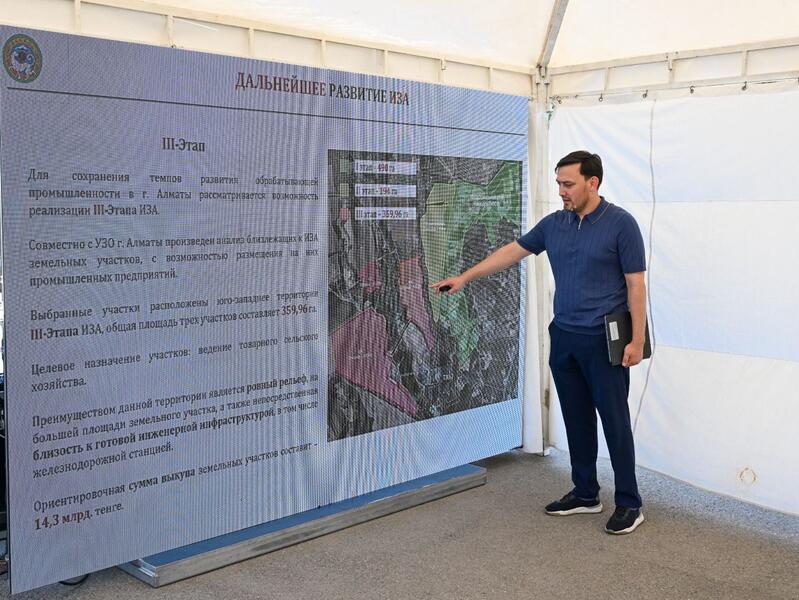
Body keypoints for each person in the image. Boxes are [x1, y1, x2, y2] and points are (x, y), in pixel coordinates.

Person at [431, 151, 647, 534]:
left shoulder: (621, 224)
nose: (561, 191)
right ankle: (586, 493)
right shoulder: (554, 224)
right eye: (559, 183)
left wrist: (637, 340)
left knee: (614, 422)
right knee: (576, 417)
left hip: (604, 340)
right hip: (564, 335)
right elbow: (511, 252)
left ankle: (630, 503)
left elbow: (636, 286)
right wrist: (466, 277)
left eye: (568, 184)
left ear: (592, 183)